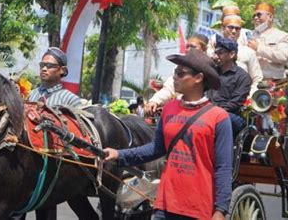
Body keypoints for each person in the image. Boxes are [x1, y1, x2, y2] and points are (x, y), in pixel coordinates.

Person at [104, 49, 233, 219]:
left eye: (180, 73)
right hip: (165, 205)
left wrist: (220, 210)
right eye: (175, 72)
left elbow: (223, 168)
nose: (174, 77)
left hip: (198, 208)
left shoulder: (219, 117)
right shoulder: (169, 109)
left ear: (198, 78)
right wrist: (119, 155)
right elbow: (156, 149)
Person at [145, 33, 209, 115]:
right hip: (181, 111)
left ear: (204, 49)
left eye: (192, 47)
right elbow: (169, 88)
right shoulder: (179, 67)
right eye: (187, 46)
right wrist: (155, 101)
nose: (188, 50)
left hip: (203, 112)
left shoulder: (211, 69)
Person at [210, 6, 263, 96]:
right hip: (216, 99)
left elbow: (257, 78)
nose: (234, 31)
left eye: (237, 28)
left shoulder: (248, 52)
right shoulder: (213, 49)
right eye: (230, 27)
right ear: (223, 28)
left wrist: (249, 97)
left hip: (241, 100)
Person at [208, 36, 252, 138]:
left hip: (229, 114)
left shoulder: (243, 77)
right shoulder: (210, 72)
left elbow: (235, 103)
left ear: (232, 54)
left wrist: (215, 111)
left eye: (220, 53)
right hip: (207, 110)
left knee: (225, 118)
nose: (215, 56)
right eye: (215, 53)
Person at [247, 2, 288, 80]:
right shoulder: (250, 34)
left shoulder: (282, 35)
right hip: (253, 81)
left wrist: (258, 48)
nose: (255, 18)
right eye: (254, 15)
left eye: (259, 15)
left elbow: (283, 57)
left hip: (275, 82)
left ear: (270, 17)